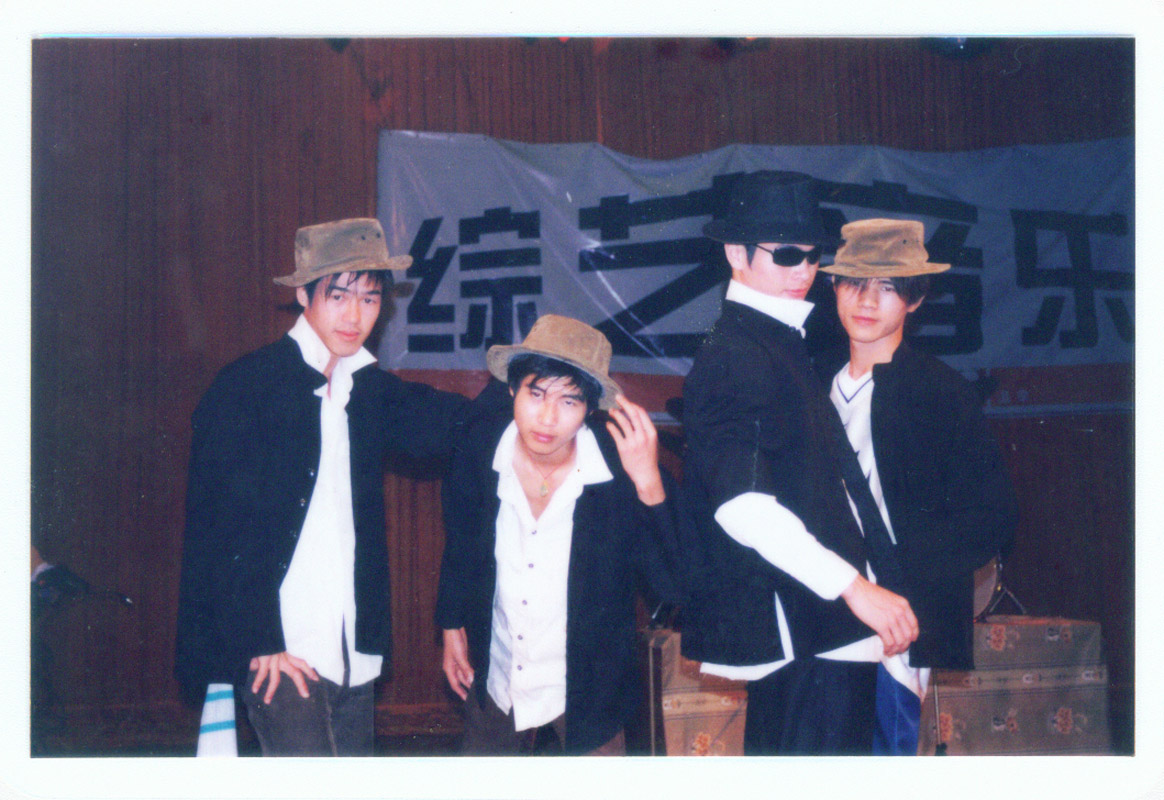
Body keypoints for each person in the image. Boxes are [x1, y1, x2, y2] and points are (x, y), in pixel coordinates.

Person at [175, 217, 470, 756]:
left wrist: (531, 397)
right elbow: (218, 529)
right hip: (279, 648)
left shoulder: (368, 389)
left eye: (370, 299)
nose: (355, 316)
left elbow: (455, 426)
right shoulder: (247, 386)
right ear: (304, 295)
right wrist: (259, 640)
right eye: (338, 296)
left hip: (352, 650)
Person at [679, 171, 919, 755]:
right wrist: (854, 588)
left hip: (824, 631)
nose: (803, 272)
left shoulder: (776, 341)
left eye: (814, 256)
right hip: (807, 631)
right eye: (786, 254)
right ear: (735, 253)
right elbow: (741, 504)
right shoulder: (735, 352)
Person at [436, 314, 682, 755]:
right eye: (536, 394)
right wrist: (451, 623)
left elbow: (673, 587)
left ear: (589, 410)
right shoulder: (478, 448)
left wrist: (649, 485)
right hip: (498, 676)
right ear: (512, 390)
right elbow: (461, 539)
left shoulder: (621, 471)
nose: (548, 418)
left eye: (569, 401)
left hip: (590, 692)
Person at [820, 218, 1018, 755]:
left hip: (894, 627)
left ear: (915, 298)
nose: (867, 300)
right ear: (833, 286)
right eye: (854, 282)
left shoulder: (941, 393)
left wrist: (908, 578)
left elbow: (993, 514)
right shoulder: (809, 385)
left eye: (888, 287)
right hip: (817, 613)